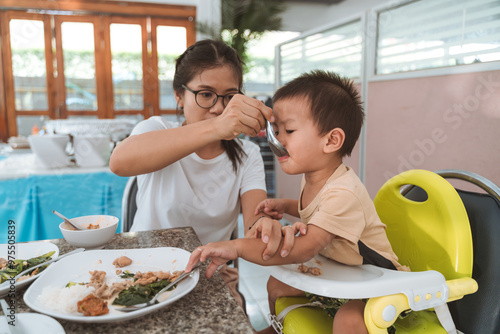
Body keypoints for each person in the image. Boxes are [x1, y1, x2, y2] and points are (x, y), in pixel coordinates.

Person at [185, 70, 409, 334]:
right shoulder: (316, 178)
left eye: (288, 130)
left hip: (379, 286)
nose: (277, 140)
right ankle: (278, 328)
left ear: (331, 140)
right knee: (276, 286)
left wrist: (237, 247)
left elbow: (305, 249)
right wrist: (287, 205)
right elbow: (315, 211)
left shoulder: (344, 193)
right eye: (276, 130)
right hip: (344, 277)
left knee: (348, 320)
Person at [109, 39, 291, 306]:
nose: (219, 108)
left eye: (229, 97)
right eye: (206, 94)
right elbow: (119, 162)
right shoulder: (156, 130)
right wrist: (217, 128)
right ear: (179, 96)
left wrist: (266, 229)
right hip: (142, 268)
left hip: (207, 271)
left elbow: (254, 226)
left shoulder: (248, 155)